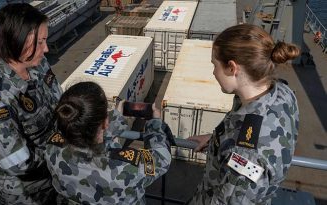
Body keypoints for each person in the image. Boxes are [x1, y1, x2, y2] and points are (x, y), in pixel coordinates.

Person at [187, 24, 300, 204]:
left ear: (232, 68)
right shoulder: (281, 92)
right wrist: (219, 140)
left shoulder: (246, 156)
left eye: (215, 65)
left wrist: (235, 148)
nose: (213, 72)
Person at [0, 3, 62, 204]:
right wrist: (65, 149)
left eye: (45, 41)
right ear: (17, 41)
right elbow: (18, 162)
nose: (46, 49)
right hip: (27, 193)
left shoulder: (37, 64)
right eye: (39, 42)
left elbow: (57, 99)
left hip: (55, 177)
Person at [44, 81, 172, 204]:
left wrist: (116, 116)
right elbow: (163, 157)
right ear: (105, 122)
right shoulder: (126, 168)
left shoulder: (51, 148)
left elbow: (85, 133)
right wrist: (155, 122)